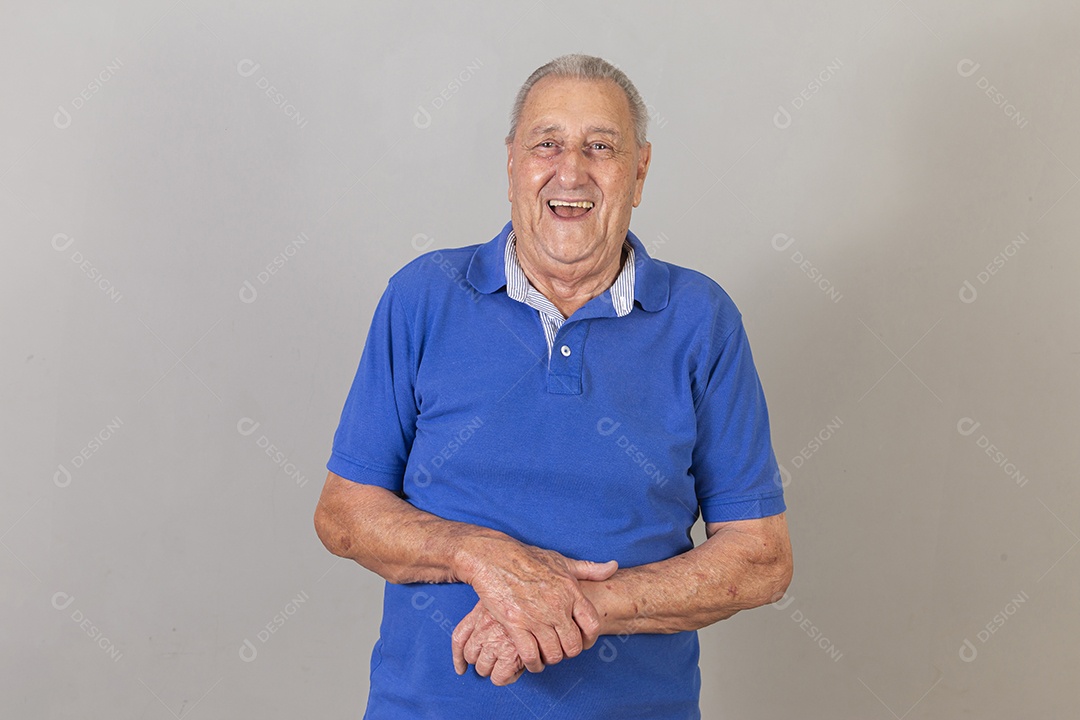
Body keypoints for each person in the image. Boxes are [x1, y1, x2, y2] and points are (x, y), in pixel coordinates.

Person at [314, 53, 793, 719]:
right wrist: (481, 556)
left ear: (640, 172)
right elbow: (344, 515)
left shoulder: (701, 320)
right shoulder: (424, 297)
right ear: (512, 163)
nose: (572, 171)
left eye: (601, 146)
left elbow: (760, 559)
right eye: (548, 144)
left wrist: (578, 604)